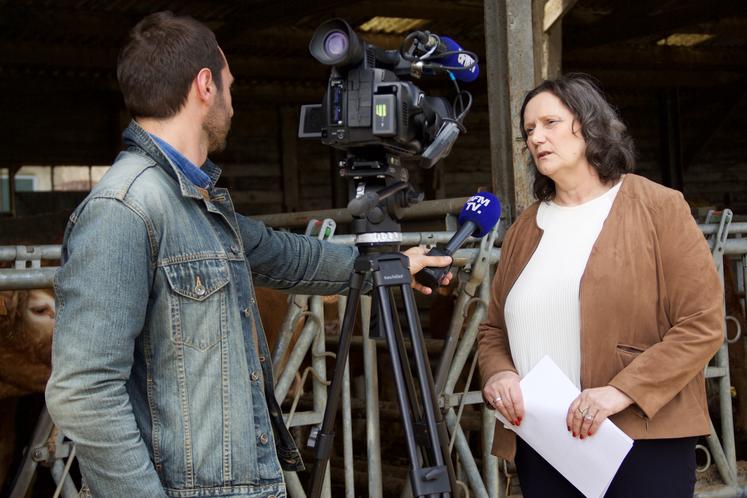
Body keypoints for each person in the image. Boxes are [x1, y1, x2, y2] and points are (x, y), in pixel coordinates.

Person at [44, 11, 451, 498]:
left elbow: (284, 256)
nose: (233, 105)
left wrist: (392, 264)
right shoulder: (123, 210)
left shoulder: (196, 201)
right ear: (204, 87)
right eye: (230, 87)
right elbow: (84, 391)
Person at [477, 73, 724, 497]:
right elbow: (493, 330)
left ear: (589, 124)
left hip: (639, 438)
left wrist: (620, 391)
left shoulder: (658, 206)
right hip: (544, 443)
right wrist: (499, 375)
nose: (537, 138)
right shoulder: (523, 228)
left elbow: (702, 324)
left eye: (550, 123)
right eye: (529, 131)